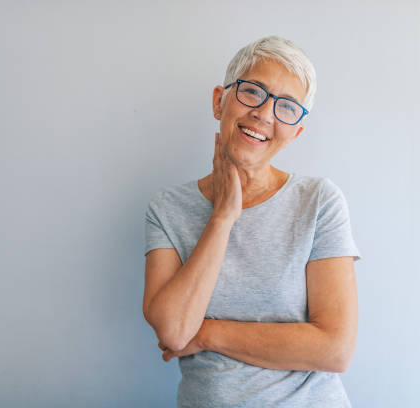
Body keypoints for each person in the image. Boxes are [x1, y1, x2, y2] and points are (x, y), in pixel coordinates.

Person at [142, 35, 361, 407]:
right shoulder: (168, 208)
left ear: (296, 132)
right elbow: (175, 331)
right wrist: (224, 216)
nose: (264, 113)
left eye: (287, 107)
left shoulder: (319, 201)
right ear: (219, 100)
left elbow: (335, 350)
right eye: (252, 92)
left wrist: (208, 333)